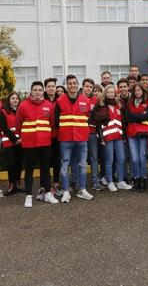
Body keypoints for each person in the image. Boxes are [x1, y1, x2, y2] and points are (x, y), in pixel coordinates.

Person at [15, 81, 58, 208]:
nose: (38, 92)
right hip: (29, 144)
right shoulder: (23, 106)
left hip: (45, 143)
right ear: (31, 91)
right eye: (35, 90)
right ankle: (28, 196)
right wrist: (26, 136)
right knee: (29, 171)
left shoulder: (49, 105)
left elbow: (51, 122)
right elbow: (18, 125)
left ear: (43, 91)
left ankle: (48, 194)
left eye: (40, 90)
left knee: (45, 169)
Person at [55, 74, 95, 202]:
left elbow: (88, 118)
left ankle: (82, 189)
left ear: (78, 85)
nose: (72, 85)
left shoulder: (86, 100)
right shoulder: (60, 101)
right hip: (65, 138)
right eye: (70, 83)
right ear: (67, 85)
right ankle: (66, 191)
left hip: (82, 138)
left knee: (83, 164)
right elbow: (56, 120)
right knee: (65, 164)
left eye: (74, 83)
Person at [91, 84, 132, 191]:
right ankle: (110, 182)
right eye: (108, 92)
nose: (110, 94)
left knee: (121, 158)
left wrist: (123, 136)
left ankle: (120, 181)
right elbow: (97, 124)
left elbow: (122, 122)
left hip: (118, 135)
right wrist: (101, 139)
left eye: (112, 92)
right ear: (105, 93)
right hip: (107, 136)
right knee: (109, 159)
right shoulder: (101, 104)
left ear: (115, 93)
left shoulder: (119, 105)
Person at [125, 82, 148, 192]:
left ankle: (143, 180)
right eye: (135, 90)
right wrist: (140, 117)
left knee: (142, 157)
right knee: (135, 159)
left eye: (139, 90)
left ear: (143, 90)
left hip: (143, 133)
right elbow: (127, 117)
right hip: (131, 133)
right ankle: (136, 179)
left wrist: (135, 117)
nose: (137, 92)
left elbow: (147, 116)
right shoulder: (130, 102)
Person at [0, 91, 24, 196]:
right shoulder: (4, 111)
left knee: (19, 164)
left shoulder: (22, 110)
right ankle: (11, 185)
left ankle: (18, 184)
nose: (15, 100)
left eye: (17, 98)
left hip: (22, 142)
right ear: (9, 100)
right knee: (11, 164)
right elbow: (4, 128)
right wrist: (15, 139)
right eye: (13, 98)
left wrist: (22, 139)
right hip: (9, 142)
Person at [44, 78, 62, 195]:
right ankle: (45, 186)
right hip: (44, 137)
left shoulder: (60, 101)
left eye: (53, 86)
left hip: (57, 136)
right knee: (45, 162)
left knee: (57, 162)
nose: (51, 88)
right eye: (49, 86)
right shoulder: (41, 100)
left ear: (56, 87)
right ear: (45, 88)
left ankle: (56, 184)